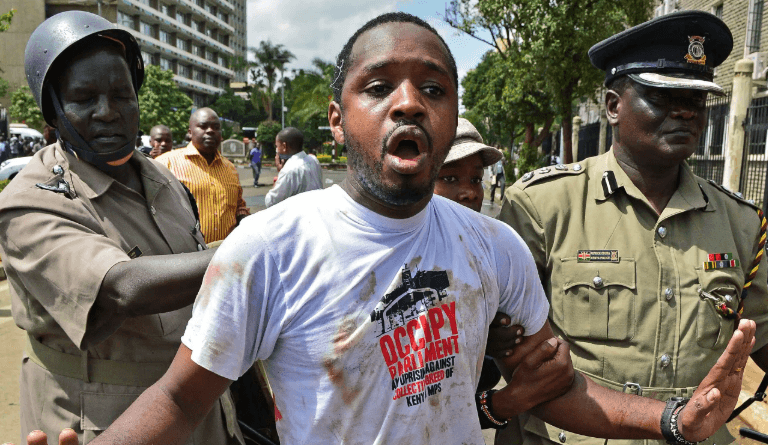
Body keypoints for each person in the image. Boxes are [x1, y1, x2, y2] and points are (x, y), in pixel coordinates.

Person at [19, 12, 756, 445]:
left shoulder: (492, 245)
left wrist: (669, 417)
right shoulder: (268, 247)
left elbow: (552, 384)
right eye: (379, 88)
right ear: (339, 119)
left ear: (450, 115)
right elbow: (182, 397)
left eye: (433, 89)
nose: (408, 103)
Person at [497, 11, 768, 445]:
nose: (684, 112)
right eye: (661, 96)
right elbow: (515, 359)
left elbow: (762, 336)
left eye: (696, 101)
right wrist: (670, 418)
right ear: (612, 106)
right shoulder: (542, 207)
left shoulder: (740, 222)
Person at [0, 11, 243, 445]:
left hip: (201, 406)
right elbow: (123, 288)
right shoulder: (28, 201)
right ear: (53, 110)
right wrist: (262, 246)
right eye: (84, 97)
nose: (108, 112)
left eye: (121, 94)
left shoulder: (160, 176)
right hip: (106, 418)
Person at [156, 108, 249, 243]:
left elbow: (239, 205)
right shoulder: (166, 163)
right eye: (203, 126)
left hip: (225, 254)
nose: (211, 131)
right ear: (190, 132)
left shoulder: (230, 168)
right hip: (185, 255)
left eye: (216, 127)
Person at [264, 126, 322, 207]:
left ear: (284, 146)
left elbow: (271, 202)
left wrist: (280, 174)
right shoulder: (314, 160)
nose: (276, 150)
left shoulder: (289, 170)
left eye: (277, 146)